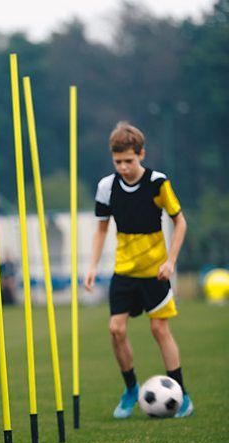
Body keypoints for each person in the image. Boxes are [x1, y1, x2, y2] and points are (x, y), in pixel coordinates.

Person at [84, 121, 193, 419]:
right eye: (118, 162)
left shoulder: (158, 183)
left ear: (141, 154)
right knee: (115, 329)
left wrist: (170, 261)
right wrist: (92, 266)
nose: (123, 167)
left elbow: (179, 221)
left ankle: (181, 394)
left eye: (129, 161)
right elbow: (101, 230)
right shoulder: (107, 187)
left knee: (160, 329)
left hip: (155, 271)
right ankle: (131, 389)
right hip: (124, 271)